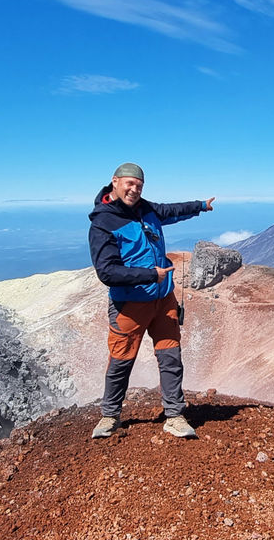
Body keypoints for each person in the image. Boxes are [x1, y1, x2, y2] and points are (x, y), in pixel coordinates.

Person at [87, 162, 214, 439]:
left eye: (139, 185)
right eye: (129, 184)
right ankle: (109, 416)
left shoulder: (147, 209)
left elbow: (173, 210)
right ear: (115, 182)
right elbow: (106, 271)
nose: (134, 189)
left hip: (163, 299)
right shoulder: (103, 223)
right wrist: (149, 274)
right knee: (121, 360)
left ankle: (175, 415)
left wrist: (201, 205)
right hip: (129, 305)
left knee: (170, 356)